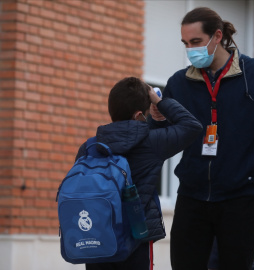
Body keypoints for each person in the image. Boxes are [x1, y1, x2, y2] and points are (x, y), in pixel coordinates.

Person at [149, 7, 254, 270]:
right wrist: (154, 118)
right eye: (185, 43)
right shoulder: (178, 83)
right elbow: (159, 139)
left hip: (241, 198)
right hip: (191, 197)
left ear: (217, 36)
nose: (190, 49)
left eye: (196, 42)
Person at [75, 77, 202, 270]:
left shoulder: (90, 146)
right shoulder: (153, 142)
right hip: (136, 237)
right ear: (138, 115)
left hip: (97, 235)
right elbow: (192, 126)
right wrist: (160, 103)